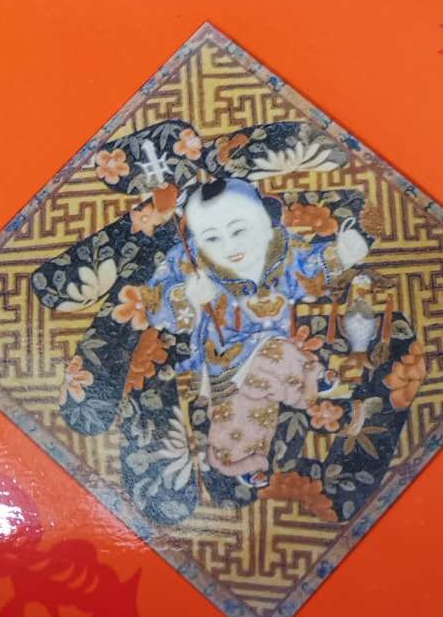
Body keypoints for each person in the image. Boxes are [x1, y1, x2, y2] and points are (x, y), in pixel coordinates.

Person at [144, 177, 369, 484]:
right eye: (213, 238)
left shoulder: (282, 250)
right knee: (237, 409)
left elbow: (310, 266)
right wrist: (188, 296)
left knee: (271, 366)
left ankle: (313, 388)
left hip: (276, 341)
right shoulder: (191, 262)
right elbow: (155, 302)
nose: (230, 247)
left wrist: (341, 254)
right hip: (224, 354)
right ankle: (243, 461)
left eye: (239, 231)